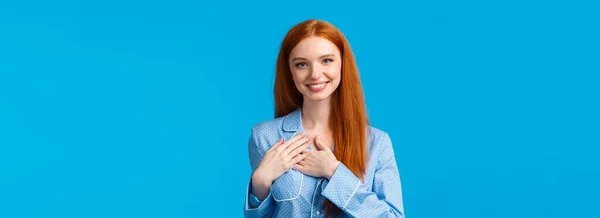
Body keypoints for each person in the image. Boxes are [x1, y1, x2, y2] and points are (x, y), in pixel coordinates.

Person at [244, 19, 405, 218]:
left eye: (326, 60)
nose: (315, 74)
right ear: (290, 72)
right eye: (301, 64)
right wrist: (259, 183)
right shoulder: (265, 137)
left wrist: (335, 172)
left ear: (343, 65)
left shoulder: (377, 143)